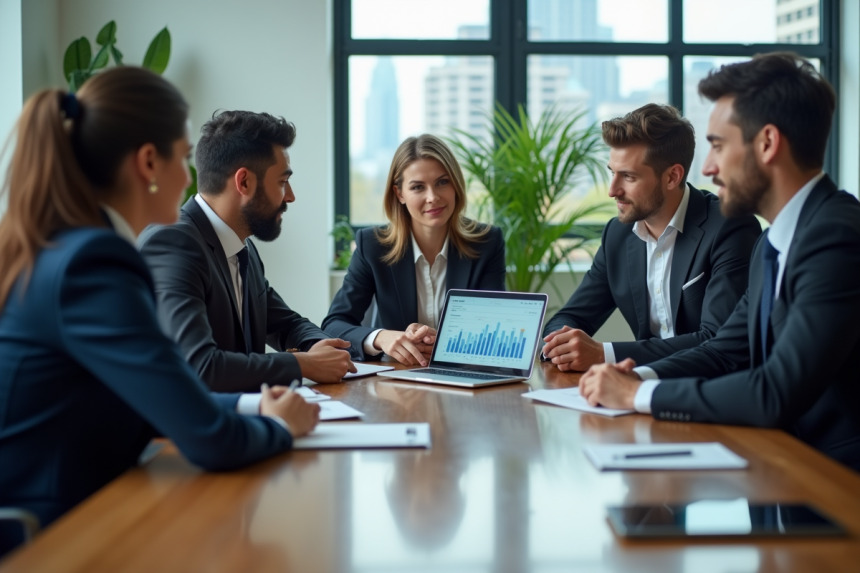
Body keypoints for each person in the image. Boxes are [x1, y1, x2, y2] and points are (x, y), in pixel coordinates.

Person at [0, 68, 320, 553]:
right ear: (149, 162)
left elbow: (156, 399)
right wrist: (279, 425)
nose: (192, 176)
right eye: (183, 156)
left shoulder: (60, 246)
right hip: (53, 533)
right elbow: (209, 438)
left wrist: (257, 404)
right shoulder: (94, 262)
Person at [578, 53, 860, 472]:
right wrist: (636, 378)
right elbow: (724, 351)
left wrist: (637, 397)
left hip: (836, 481)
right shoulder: (774, 244)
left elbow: (774, 391)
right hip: (780, 468)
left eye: (718, 146)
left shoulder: (836, 236)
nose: (707, 168)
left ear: (767, 143)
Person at [138, 111, 356, 393]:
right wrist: (303, 364)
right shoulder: (172, 243)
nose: (290, 196)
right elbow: (198, 366)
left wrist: (318, 346)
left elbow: (285, 324)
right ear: (244, 182)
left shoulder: (243, 247)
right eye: (282, 182)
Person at [542, 103, 761, 371]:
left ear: (672, 177)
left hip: (711, 392)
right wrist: (559, 343)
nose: (612, 190)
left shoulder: (730, 228)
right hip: (638, 391)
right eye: (612, 173)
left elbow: (717, 340)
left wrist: (605, 354)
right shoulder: (617, 235)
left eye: (628, 177)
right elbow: (571, 316)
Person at [322, 134, 506, 366]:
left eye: (442, 182)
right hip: (396, 380)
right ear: (400, 194)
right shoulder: (373, 245)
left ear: (456, 185)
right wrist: (381, 337)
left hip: (463, 378)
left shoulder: (487, 242)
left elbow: (495, 328)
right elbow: (335, 324)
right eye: (418, 187)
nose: (433, 197)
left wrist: (447, 341)